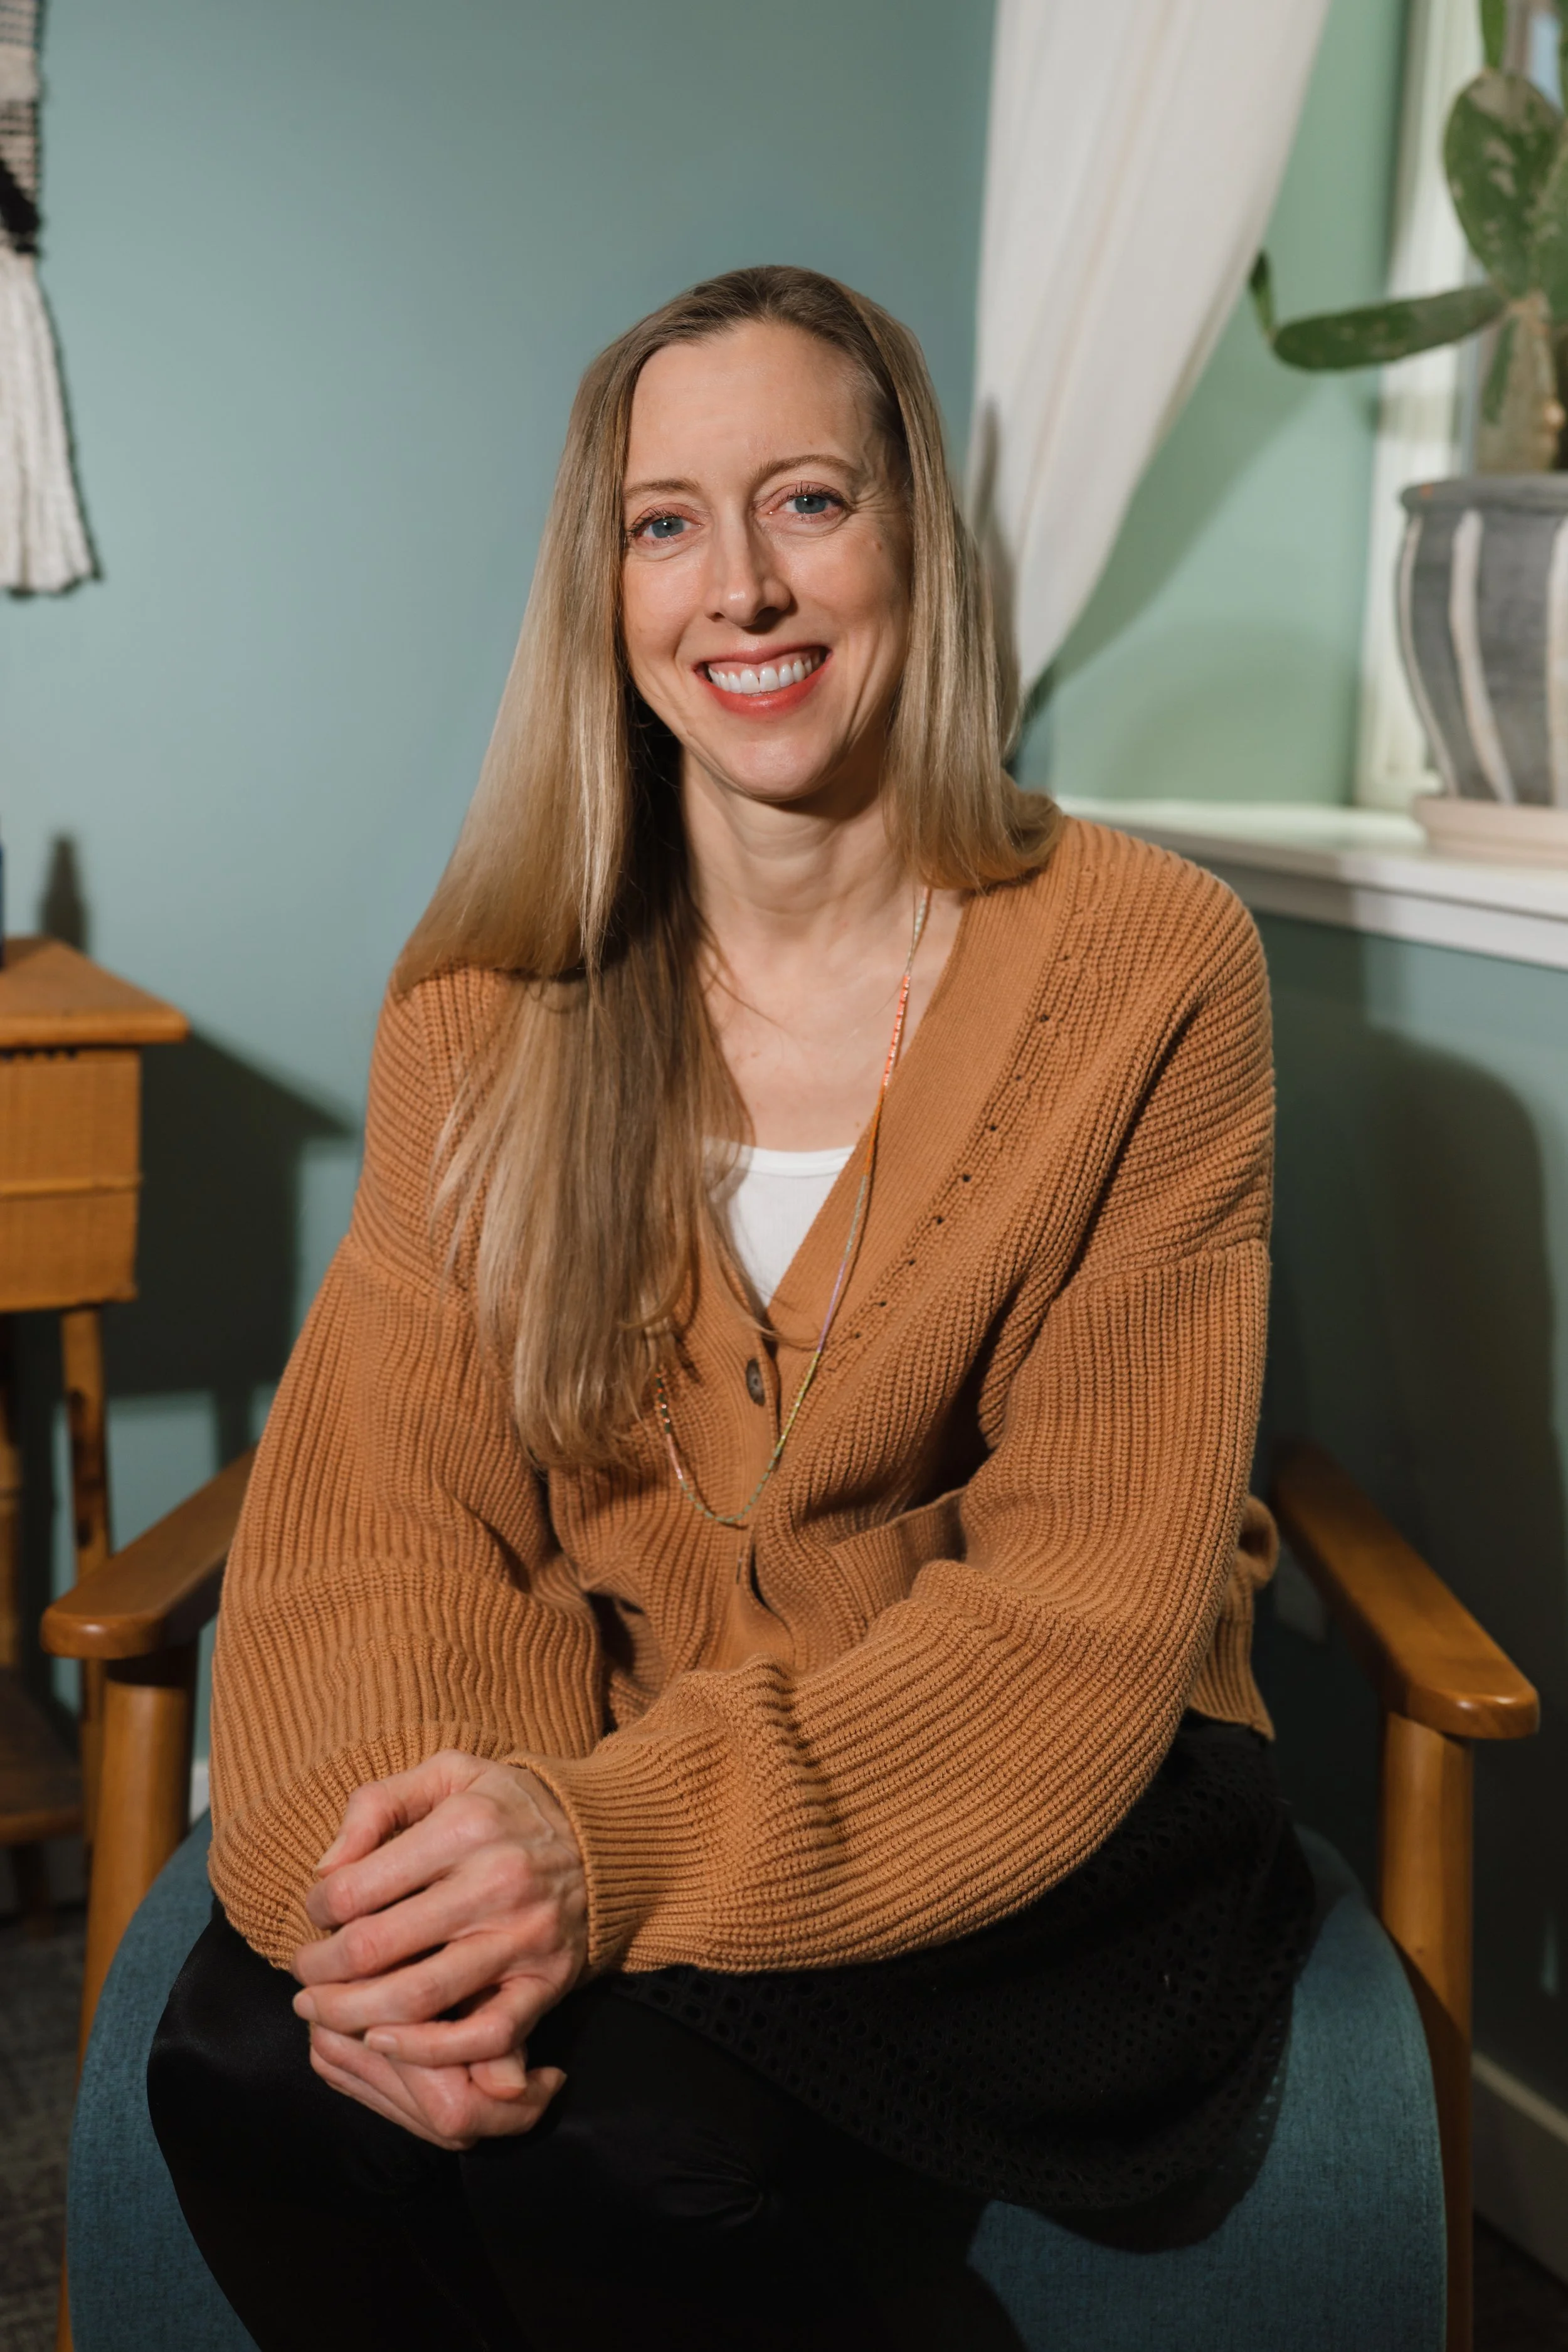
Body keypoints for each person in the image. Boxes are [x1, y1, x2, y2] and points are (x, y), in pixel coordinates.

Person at [147, 264, 1312, 2351]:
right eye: (663, 524)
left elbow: (1074, 1614)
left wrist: (598, 1842)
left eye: (807, 502)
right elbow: (391, 1522)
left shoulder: (1154, 967)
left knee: (610, 2151)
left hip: (1009, 1771)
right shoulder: (483, 1001)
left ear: (912, 540)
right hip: (607, 1723)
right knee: (240, 2066)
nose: (742, 590)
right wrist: (398, 1890)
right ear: (600, 594)